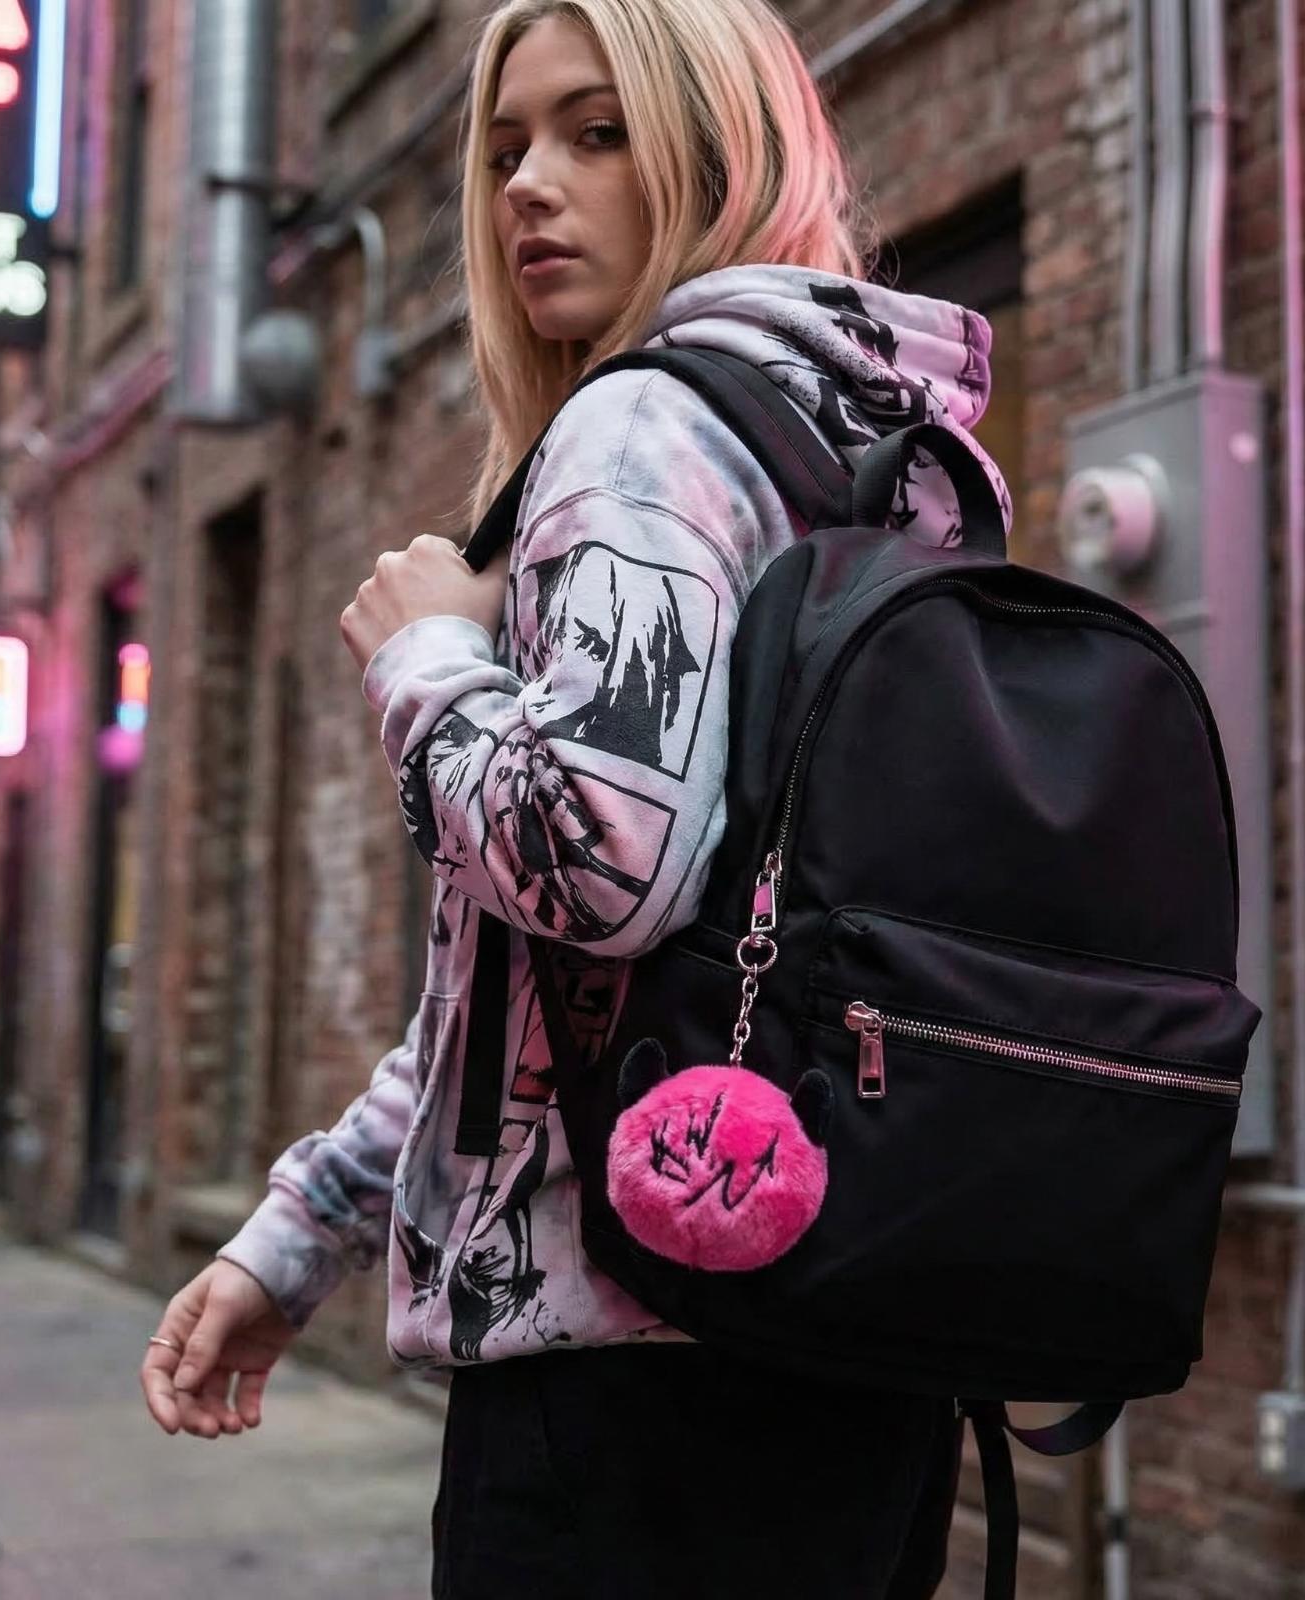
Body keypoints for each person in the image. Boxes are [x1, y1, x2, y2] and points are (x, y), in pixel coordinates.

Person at [141, 2, 1022, 1594]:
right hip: (846, 1323)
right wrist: (304, 1234)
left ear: (719, 149)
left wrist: (423, 659)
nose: (529, 187)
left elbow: (593, 867)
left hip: (626, 1378)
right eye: (505, 151)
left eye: (596, 133)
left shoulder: (639, 429)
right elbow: (537, 1001)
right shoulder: (895, 455)